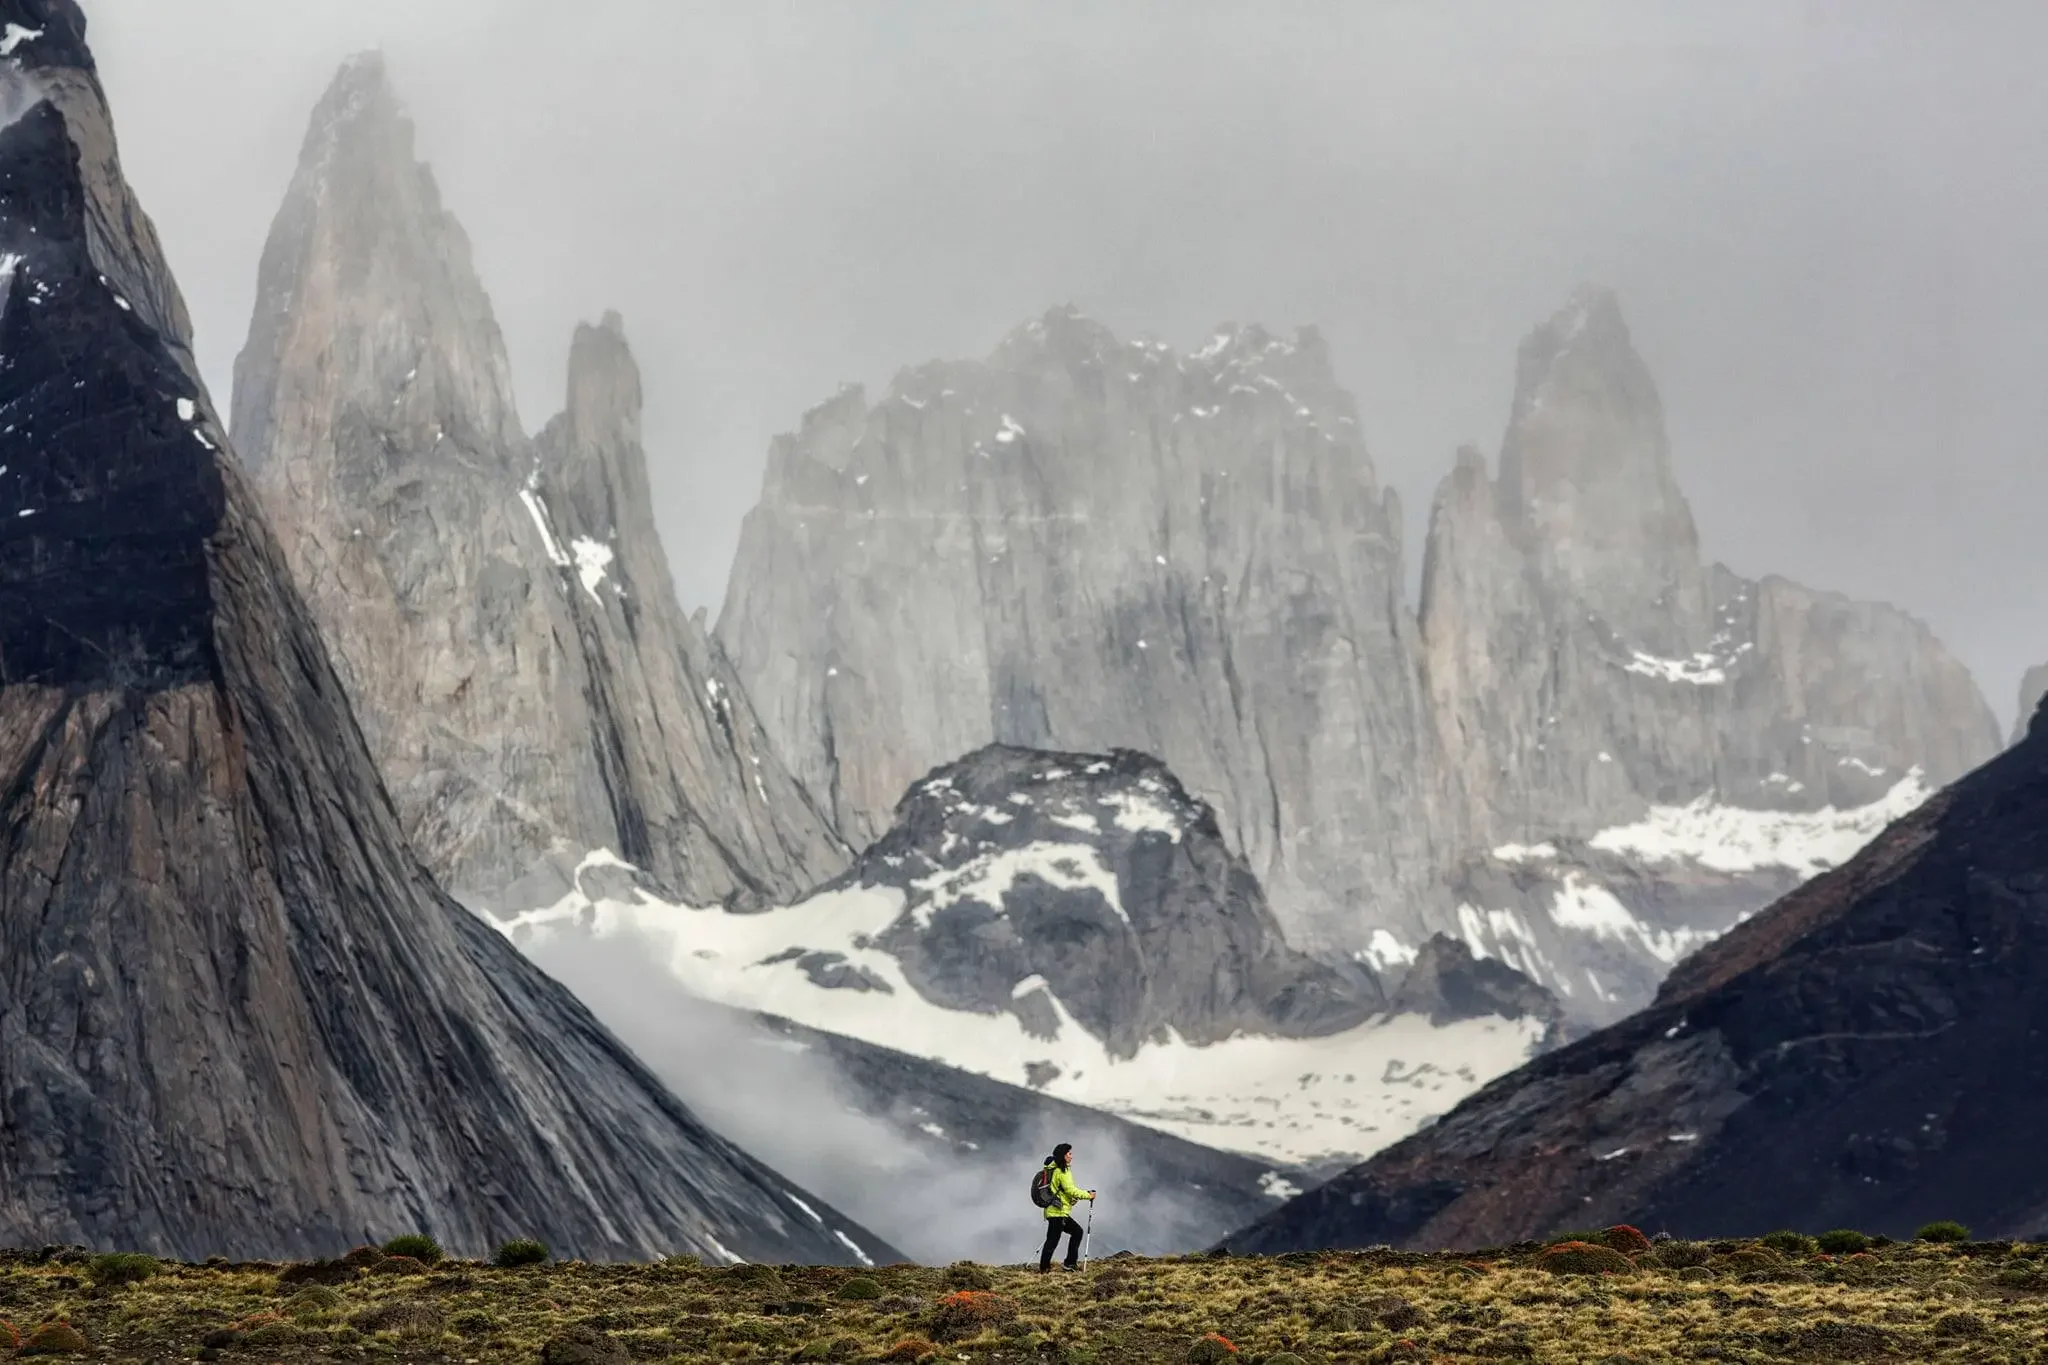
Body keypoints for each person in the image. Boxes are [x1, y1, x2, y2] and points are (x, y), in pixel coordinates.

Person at [1038, 1142, 1096, 1272]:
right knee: (1057, 1239)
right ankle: (1056, 1266)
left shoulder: (1054, 1169)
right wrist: (1088, 1195)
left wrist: (1070, 1200)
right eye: (1069, 1153)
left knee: (1059, 1238)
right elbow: (1070, 1190)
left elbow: (1062, 1191)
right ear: (1063, 1156)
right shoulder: (1062, 1171)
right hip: (1057, 1212)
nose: (1071, 1156)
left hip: (1055, 1210)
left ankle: (1052, 1267)